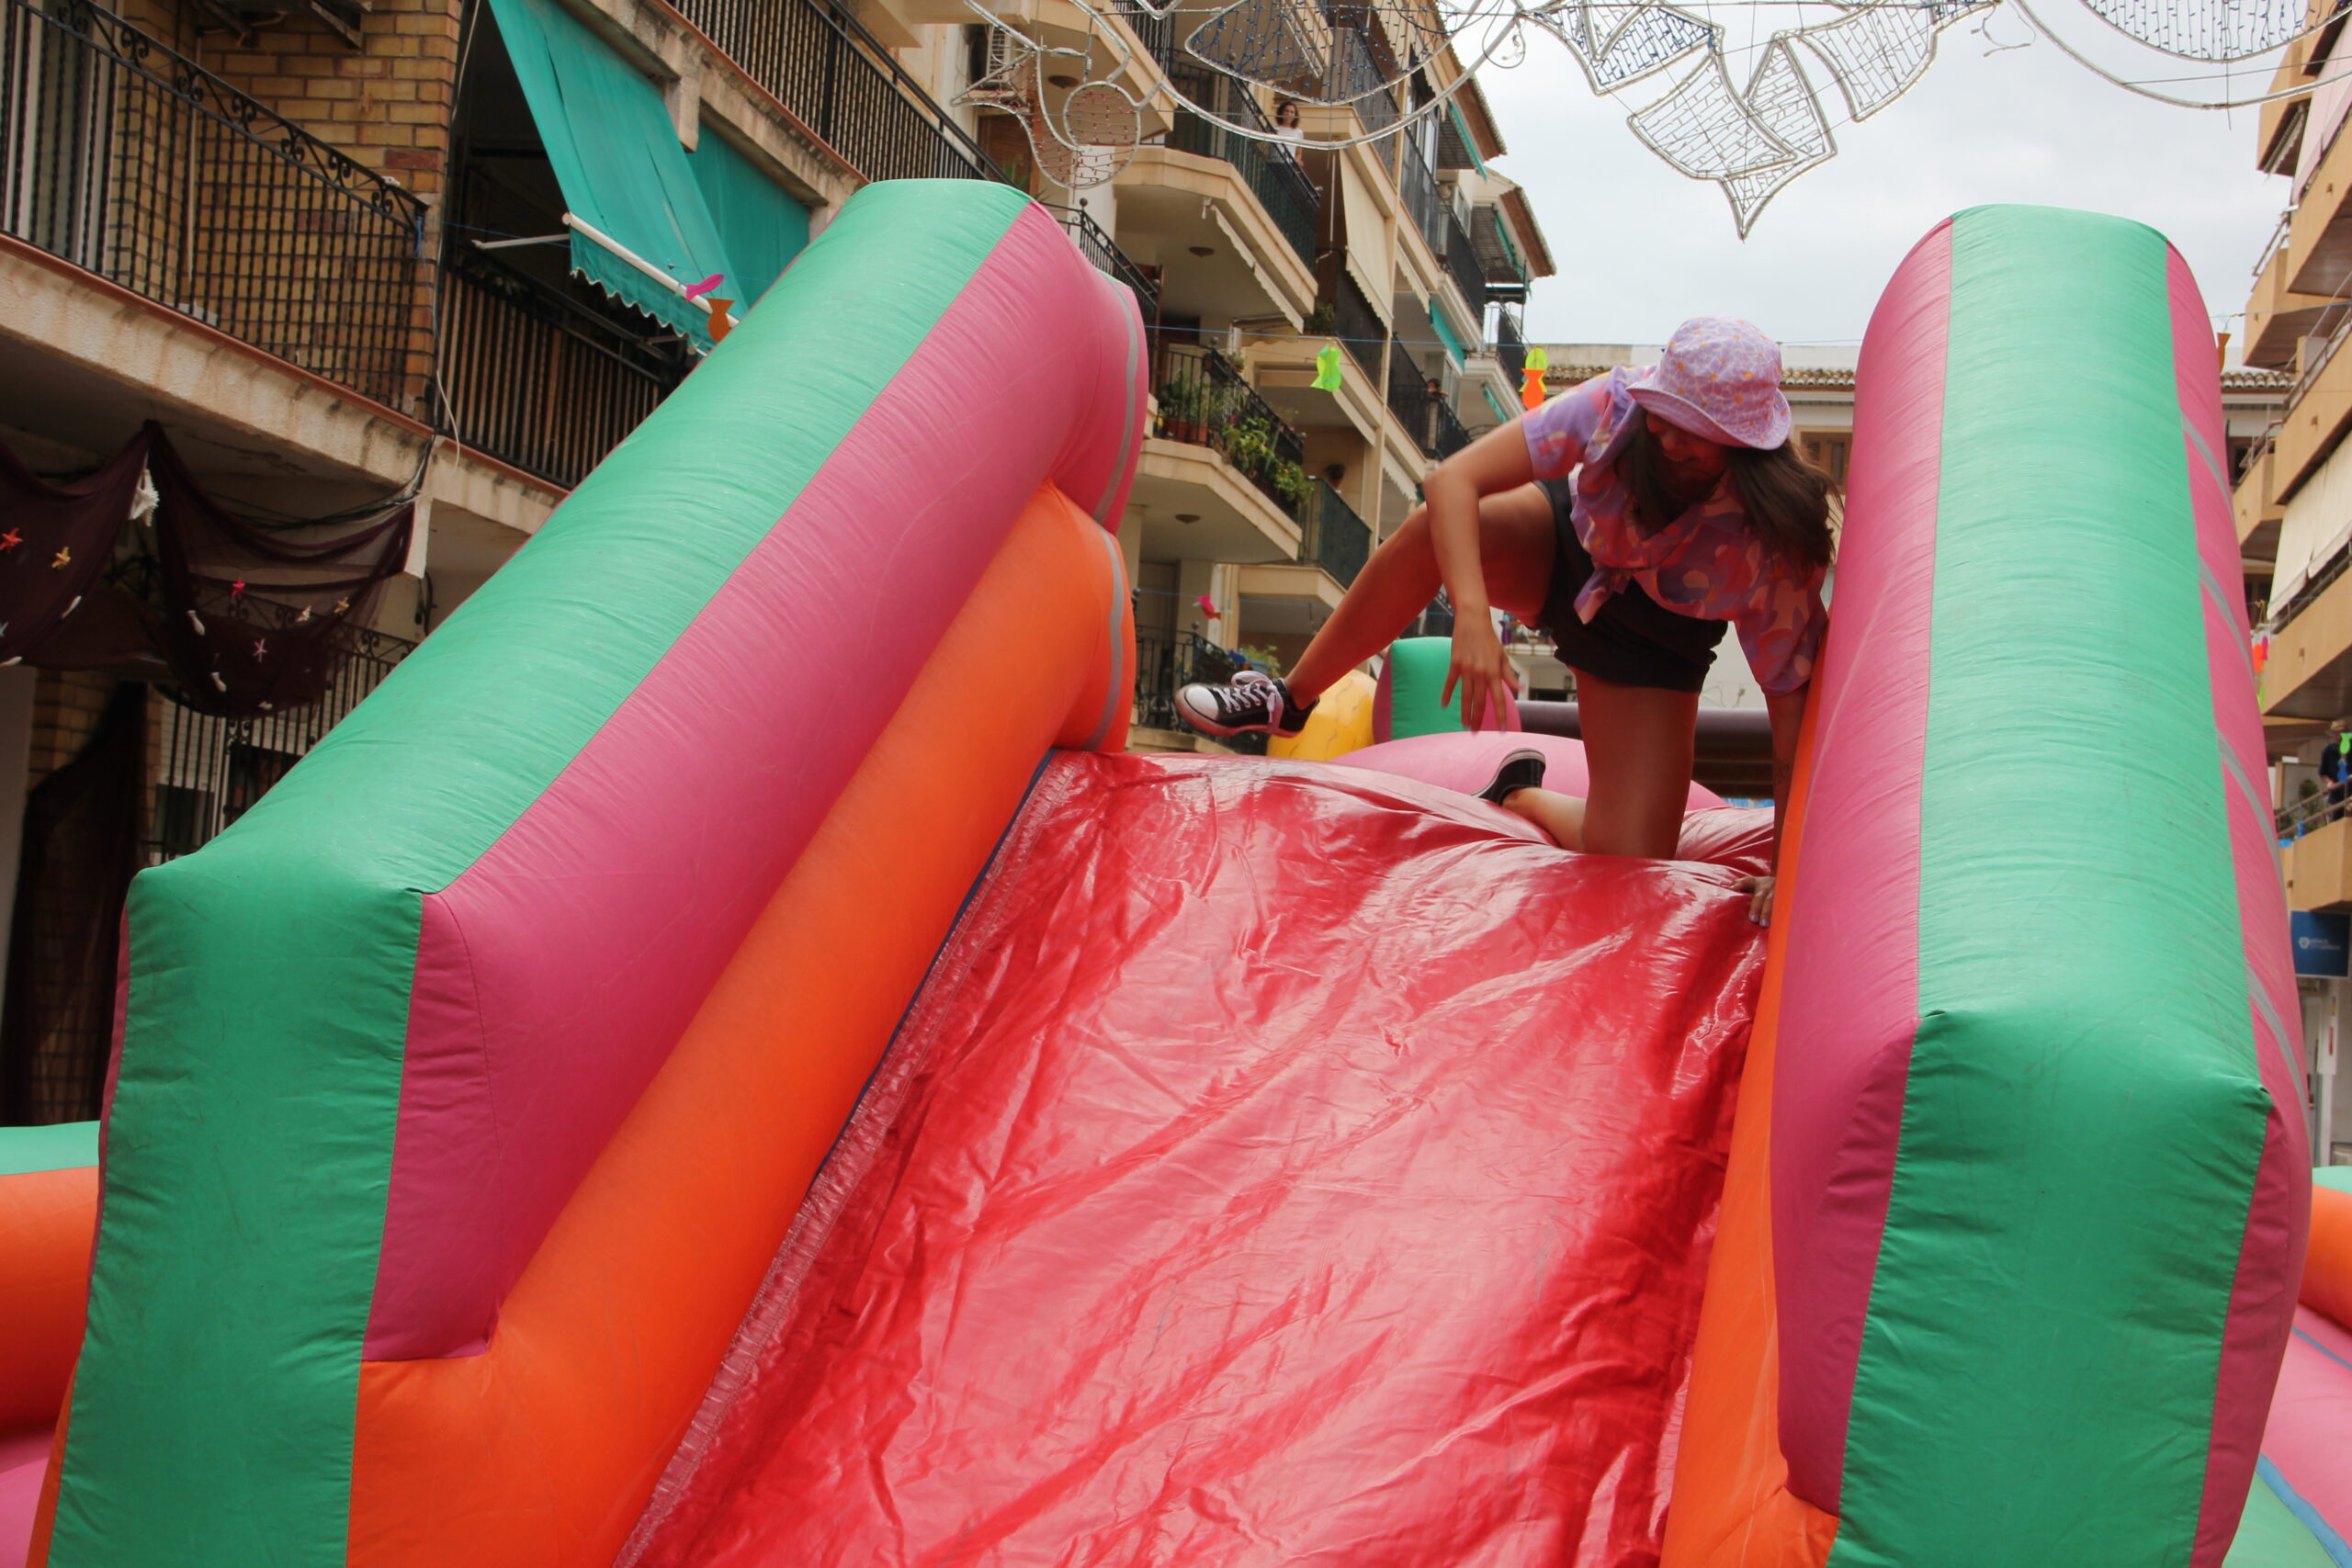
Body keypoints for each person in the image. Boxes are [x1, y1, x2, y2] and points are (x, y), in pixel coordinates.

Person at [1174, 317, 1834, 924]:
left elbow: (1790, 715)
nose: (1664, 435)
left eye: (1690, 434)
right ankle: (1287, 698)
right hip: (1563, 549)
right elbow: (1451, 481)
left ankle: (1519, 793)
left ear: (1743, 442)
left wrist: (1789, 862)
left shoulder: (1772, 548)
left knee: (1632, 855)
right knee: (1433, 529)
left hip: (1654, 643)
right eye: (1662, 414)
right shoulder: (1618, 406)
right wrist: (1472, 617)